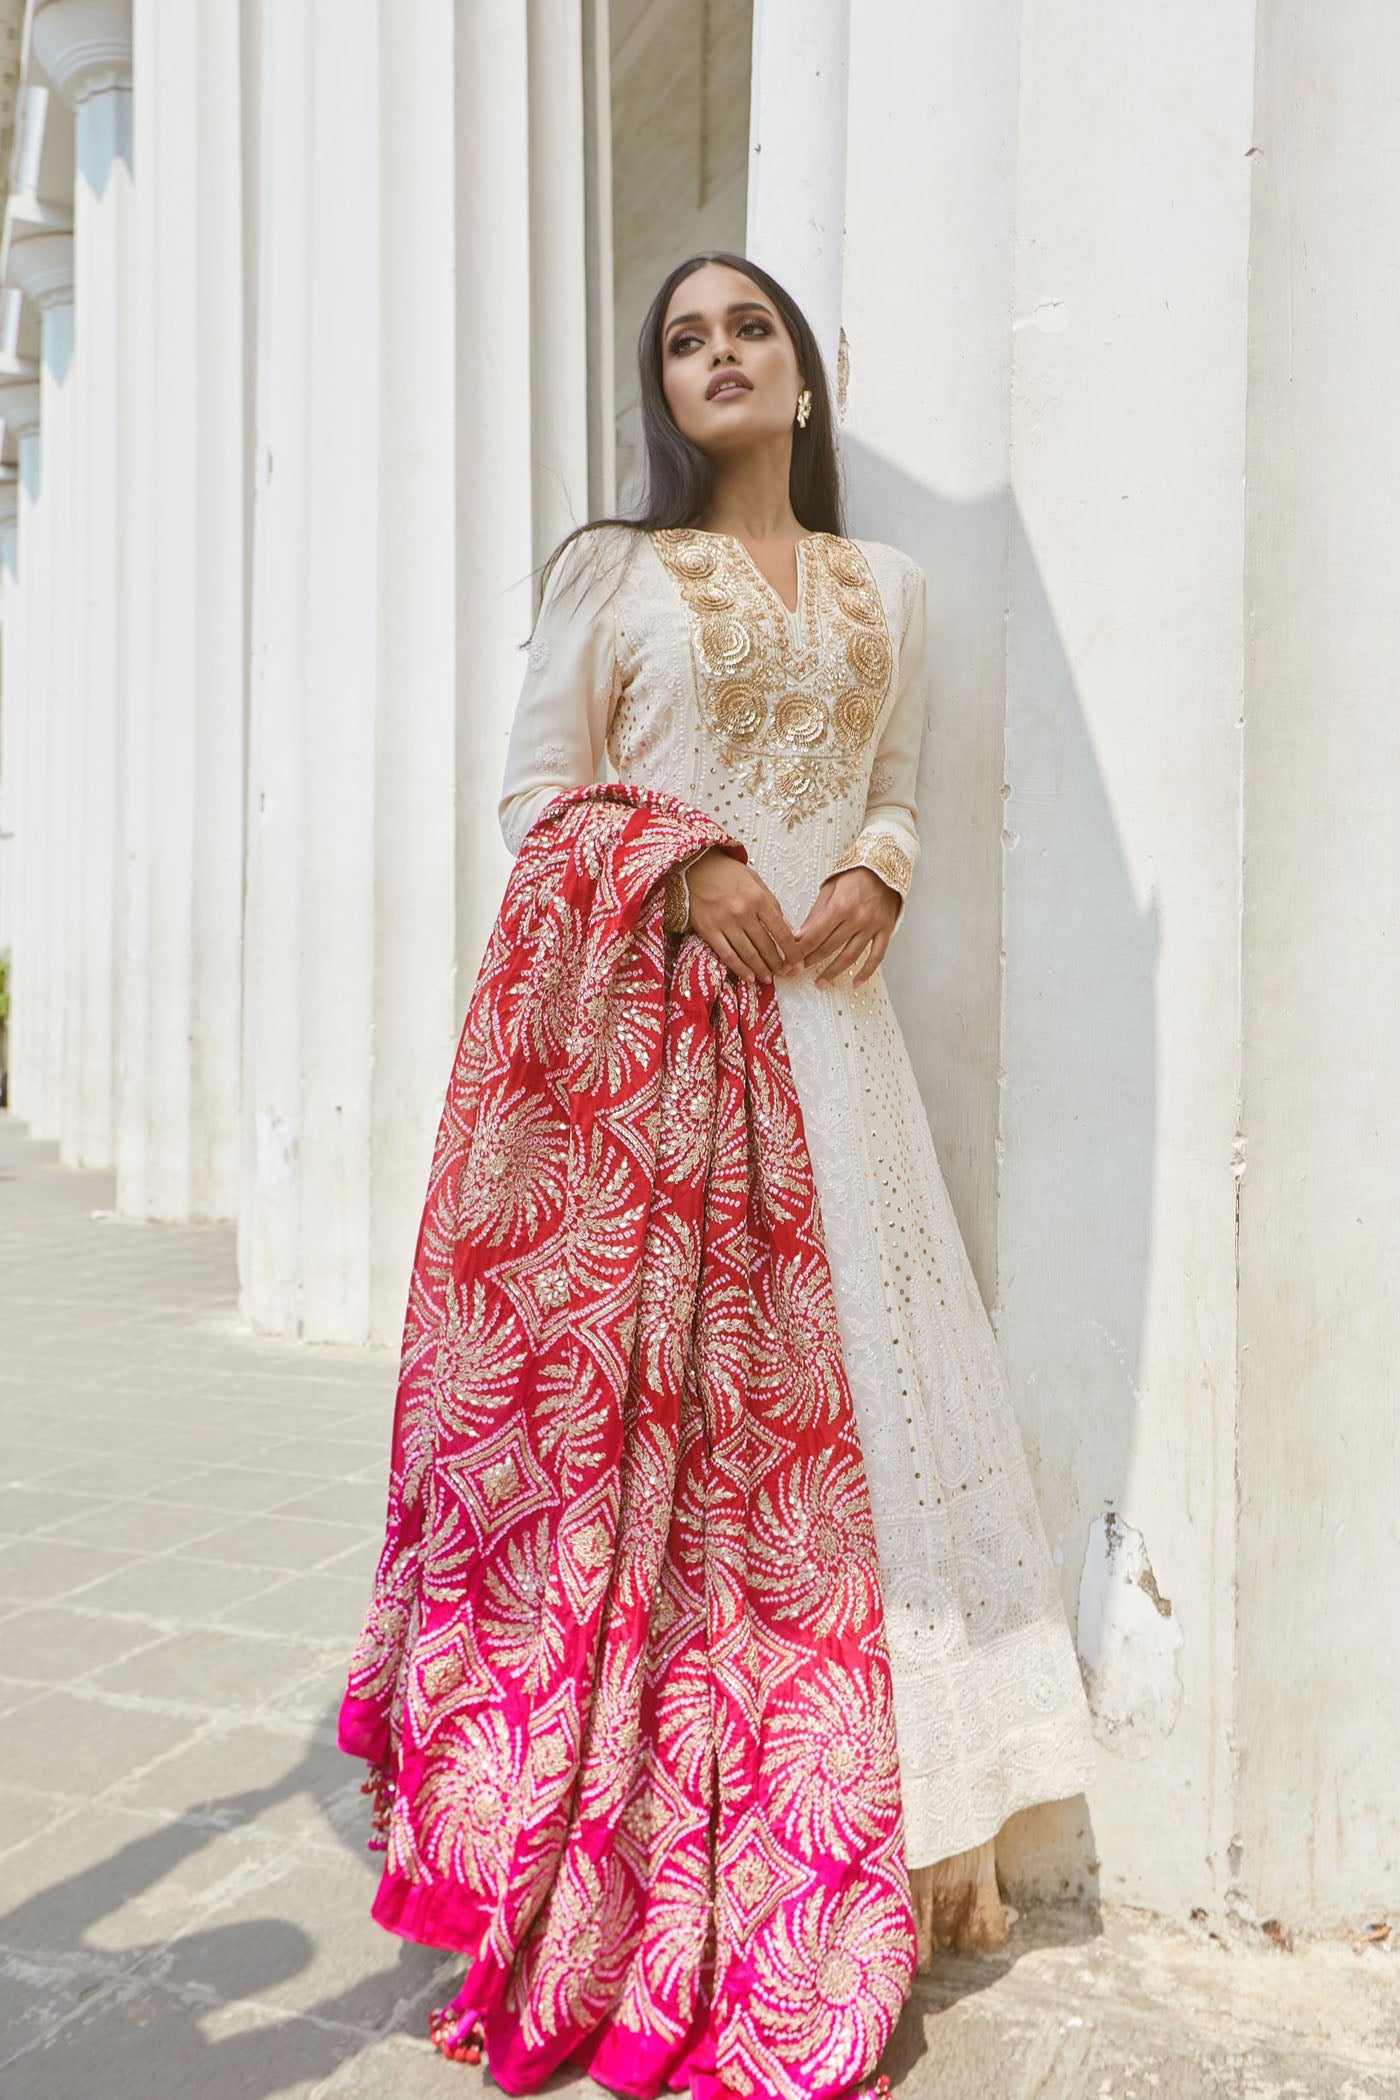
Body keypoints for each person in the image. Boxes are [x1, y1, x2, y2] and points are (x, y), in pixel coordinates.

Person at [342, 250, 1095, 2098]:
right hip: (669, 1073)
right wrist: (680, 859)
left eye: (749, 327)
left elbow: (897, 777)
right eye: (685, 341)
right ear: (666, 399)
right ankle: (635, 1827)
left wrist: (884, 872)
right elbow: (537, 798)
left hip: (839, 1057)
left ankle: (893, 1838)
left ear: (804, 377)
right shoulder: (612, 575)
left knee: (871, 1445)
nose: (720, 355)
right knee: (670, 1461)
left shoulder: (889, 587)